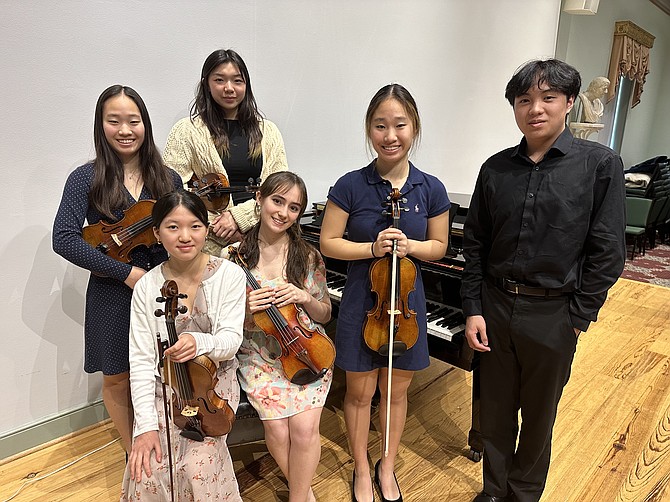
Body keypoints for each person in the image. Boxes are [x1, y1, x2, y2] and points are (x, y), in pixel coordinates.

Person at [461, 59, 625, 502]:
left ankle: (524, 494)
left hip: (555, 311)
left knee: (539, 415)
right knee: (494, 411)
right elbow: (475, 243)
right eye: (524, 100)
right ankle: (494, 491)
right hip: (494, 305)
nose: (535, 108)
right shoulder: (496, 169)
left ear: (569, 102)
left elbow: (608, 251)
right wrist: (474, 308)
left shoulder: (600, 164)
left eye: (548, 97)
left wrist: (577, 316)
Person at [320, 84, 450, 502]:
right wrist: (371, 248)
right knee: (359, 394)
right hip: (363, 301)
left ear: (414, 128)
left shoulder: (430, 188)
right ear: (369, 130)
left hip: (407, 305)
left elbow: (440, 246)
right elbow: (328, 242)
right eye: (380, 126)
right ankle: (361, 466)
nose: (390, 135)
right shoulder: (350, 185)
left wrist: (410, 247)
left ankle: (387, 465)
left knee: (395, 392)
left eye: (399, 125)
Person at [53, 85, 182, 453]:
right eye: (114, 121)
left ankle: (169, 444)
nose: (125, 130)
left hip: (162, 290)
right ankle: (134, 452)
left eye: (134, 121)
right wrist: (125, 273)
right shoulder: (85, 177)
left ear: (145, 125)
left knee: (165, 370)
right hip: (112, 292)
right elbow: (64, 238)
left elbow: (181, 229)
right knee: (118, 376)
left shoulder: (168, 179)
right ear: (101, 126)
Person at [120, 190, 246, 501]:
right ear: (156, 233)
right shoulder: (148, 286)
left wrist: (198, 341)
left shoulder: (229, 274)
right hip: (163, 385)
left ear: (206, 229)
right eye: (172, 227)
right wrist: (145, 427)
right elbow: (140, 359)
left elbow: (230, 341)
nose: (184, 236)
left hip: (212, 387)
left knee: (196, 465)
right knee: (149, 464)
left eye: (194, 226)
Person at [225, 171, 333, 502]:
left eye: (294, 207)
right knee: (276, 428)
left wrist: (305, 298)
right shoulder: (233, 257)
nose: (283, 212)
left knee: (303, 430)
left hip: (306, 348)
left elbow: (325, 313)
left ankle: (299, 497)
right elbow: (223, 324)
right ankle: (305, 494)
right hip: (259, 355)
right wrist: (244, 308)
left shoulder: (307, 255)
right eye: (277, 201)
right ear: (259, 198)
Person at [163, 48, 289, 256]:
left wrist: (240, 218)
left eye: (237, 81)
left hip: (262, 238)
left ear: (246, 85)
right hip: (206, 244)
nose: (229, 88)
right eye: (220, 80)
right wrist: (218, 227)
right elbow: (173, 191)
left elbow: (280, 190)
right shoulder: (186, 130)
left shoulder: (269, 131)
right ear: (206, 84)